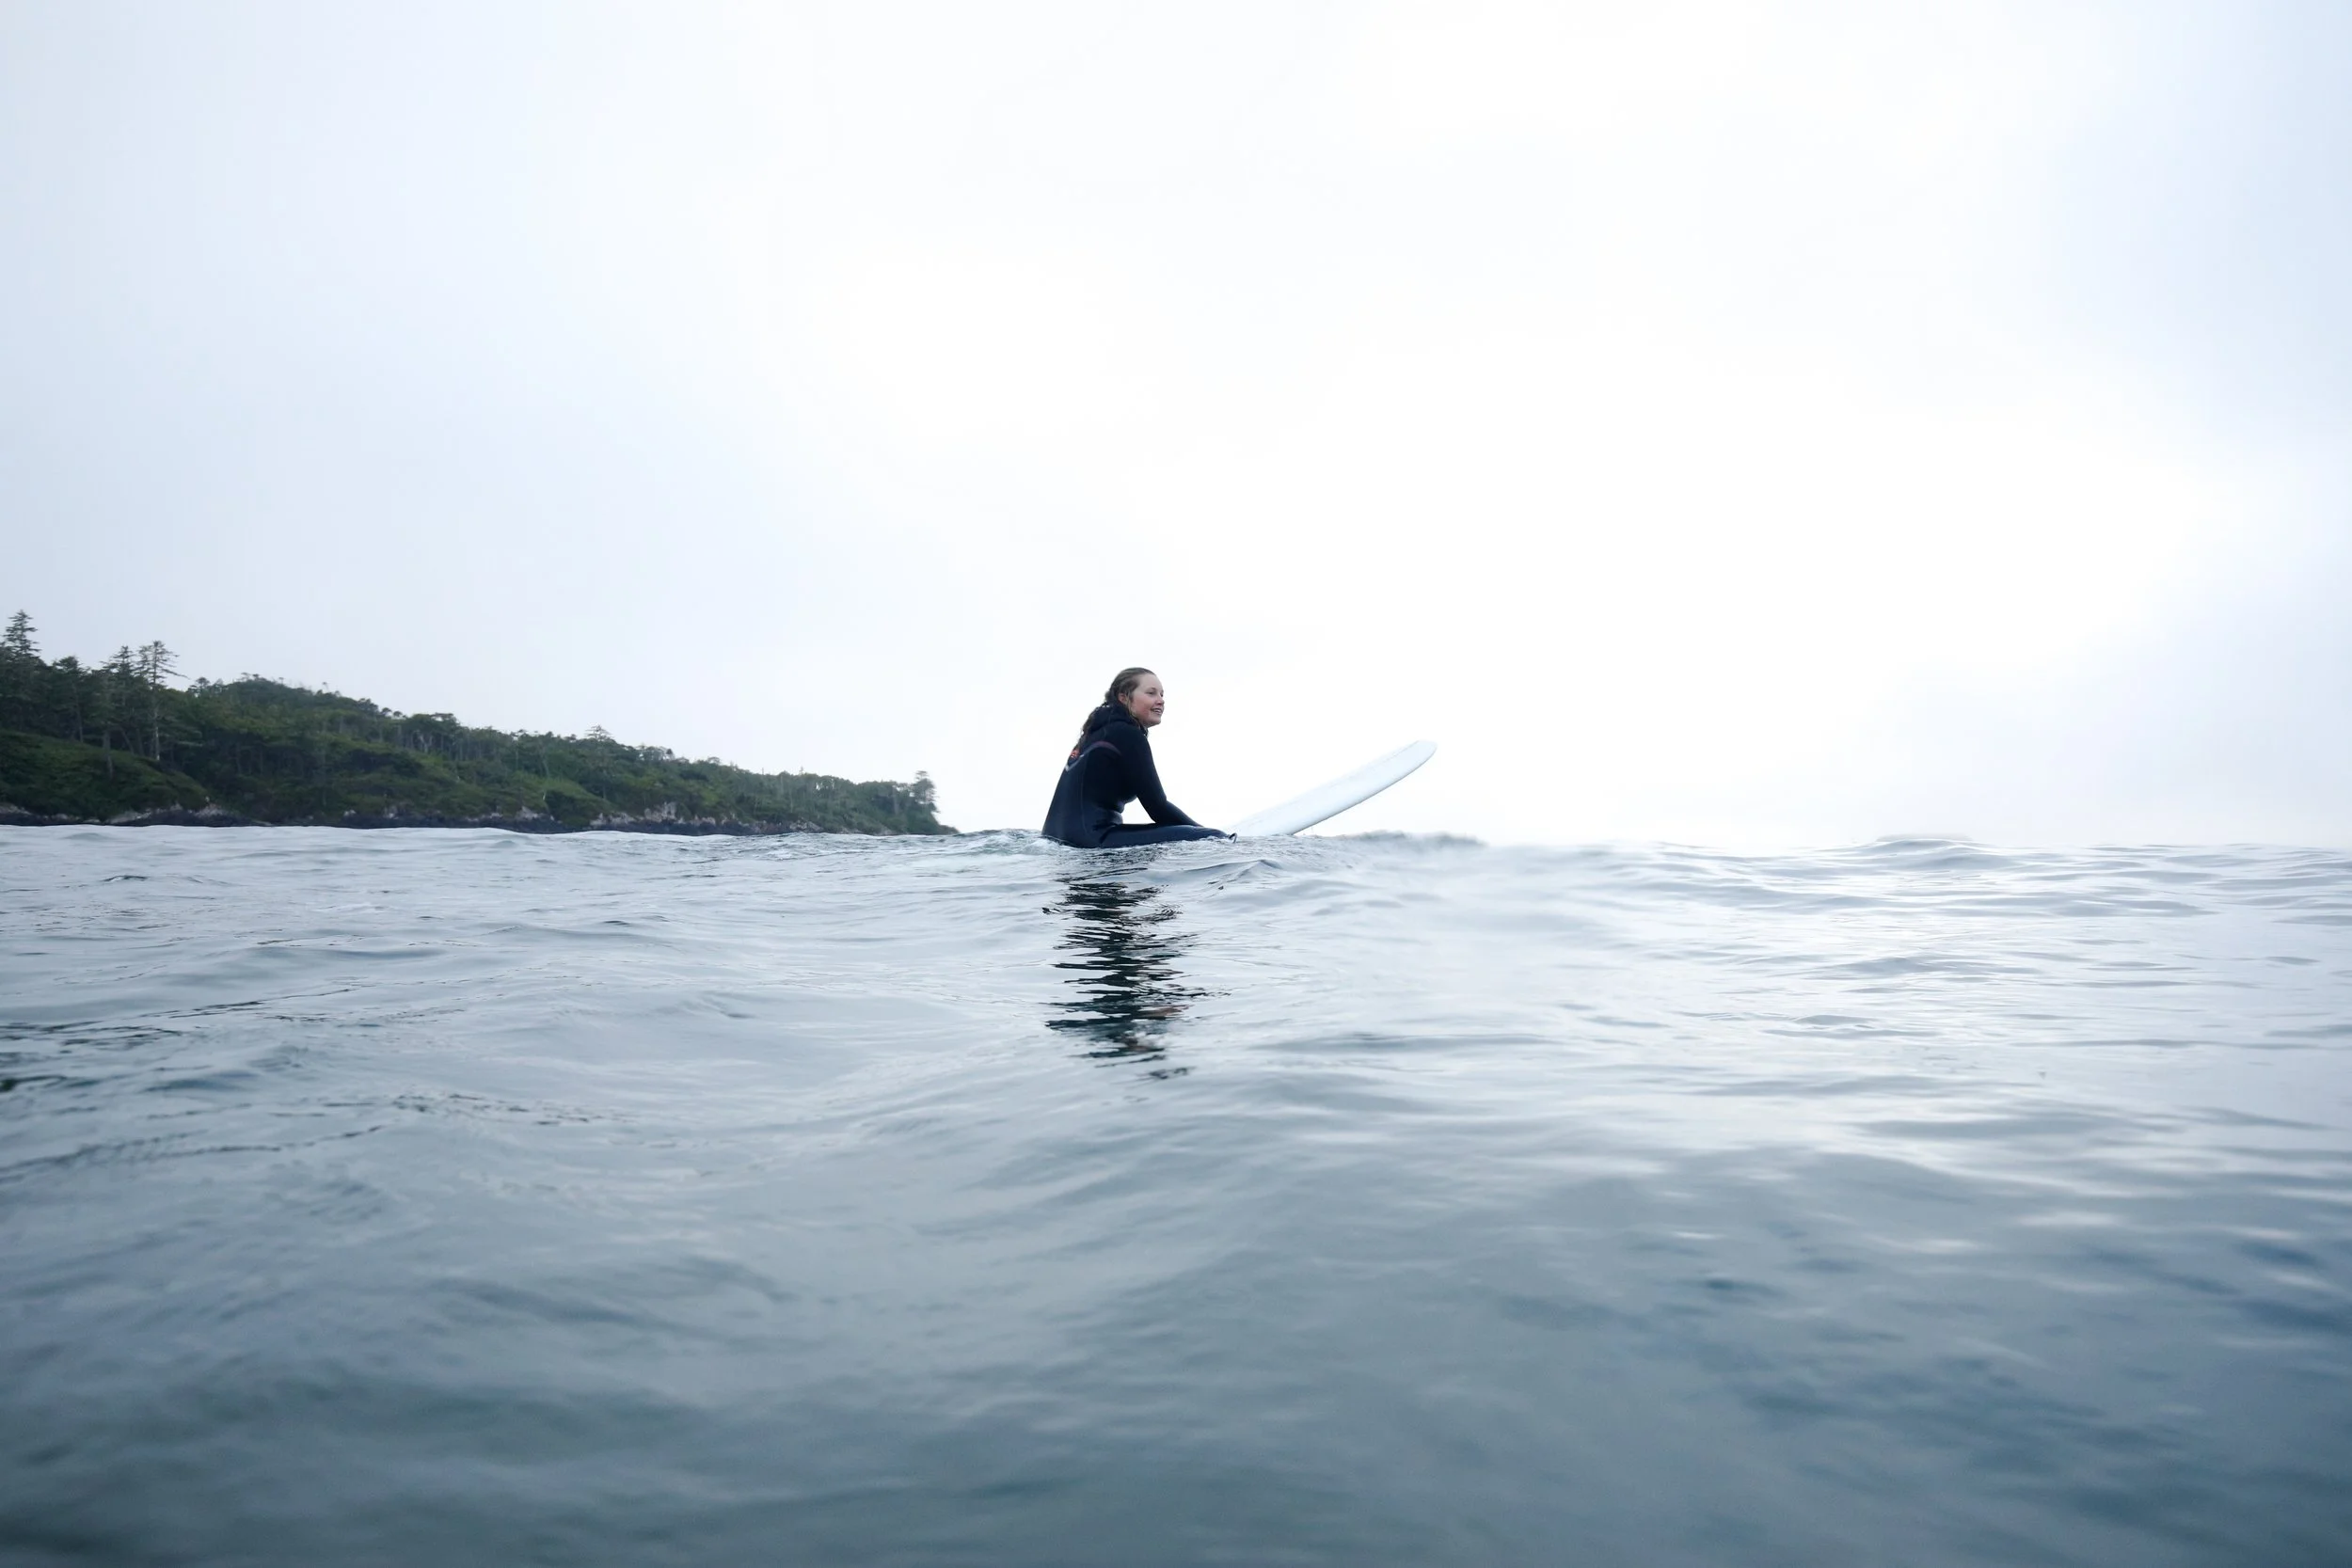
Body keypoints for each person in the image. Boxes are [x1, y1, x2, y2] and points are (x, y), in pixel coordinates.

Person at [1041, 668, 1231, 847]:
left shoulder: (1096, 733)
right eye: (1151, 693)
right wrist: (1209, 835)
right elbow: (1157, 806)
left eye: (1162, 694)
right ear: (1124, 698)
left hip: (1055, 839)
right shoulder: (1127, 735)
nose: (1161, 700)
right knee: (1213, 838)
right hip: (1091, 841)